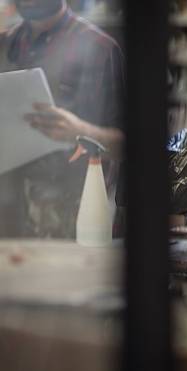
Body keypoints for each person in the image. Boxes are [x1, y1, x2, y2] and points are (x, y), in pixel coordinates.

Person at [0, 0, 125, 238]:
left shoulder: (100, 49)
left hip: (74, 221)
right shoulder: (4, 45)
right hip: (9, 221)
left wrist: (78, 130)